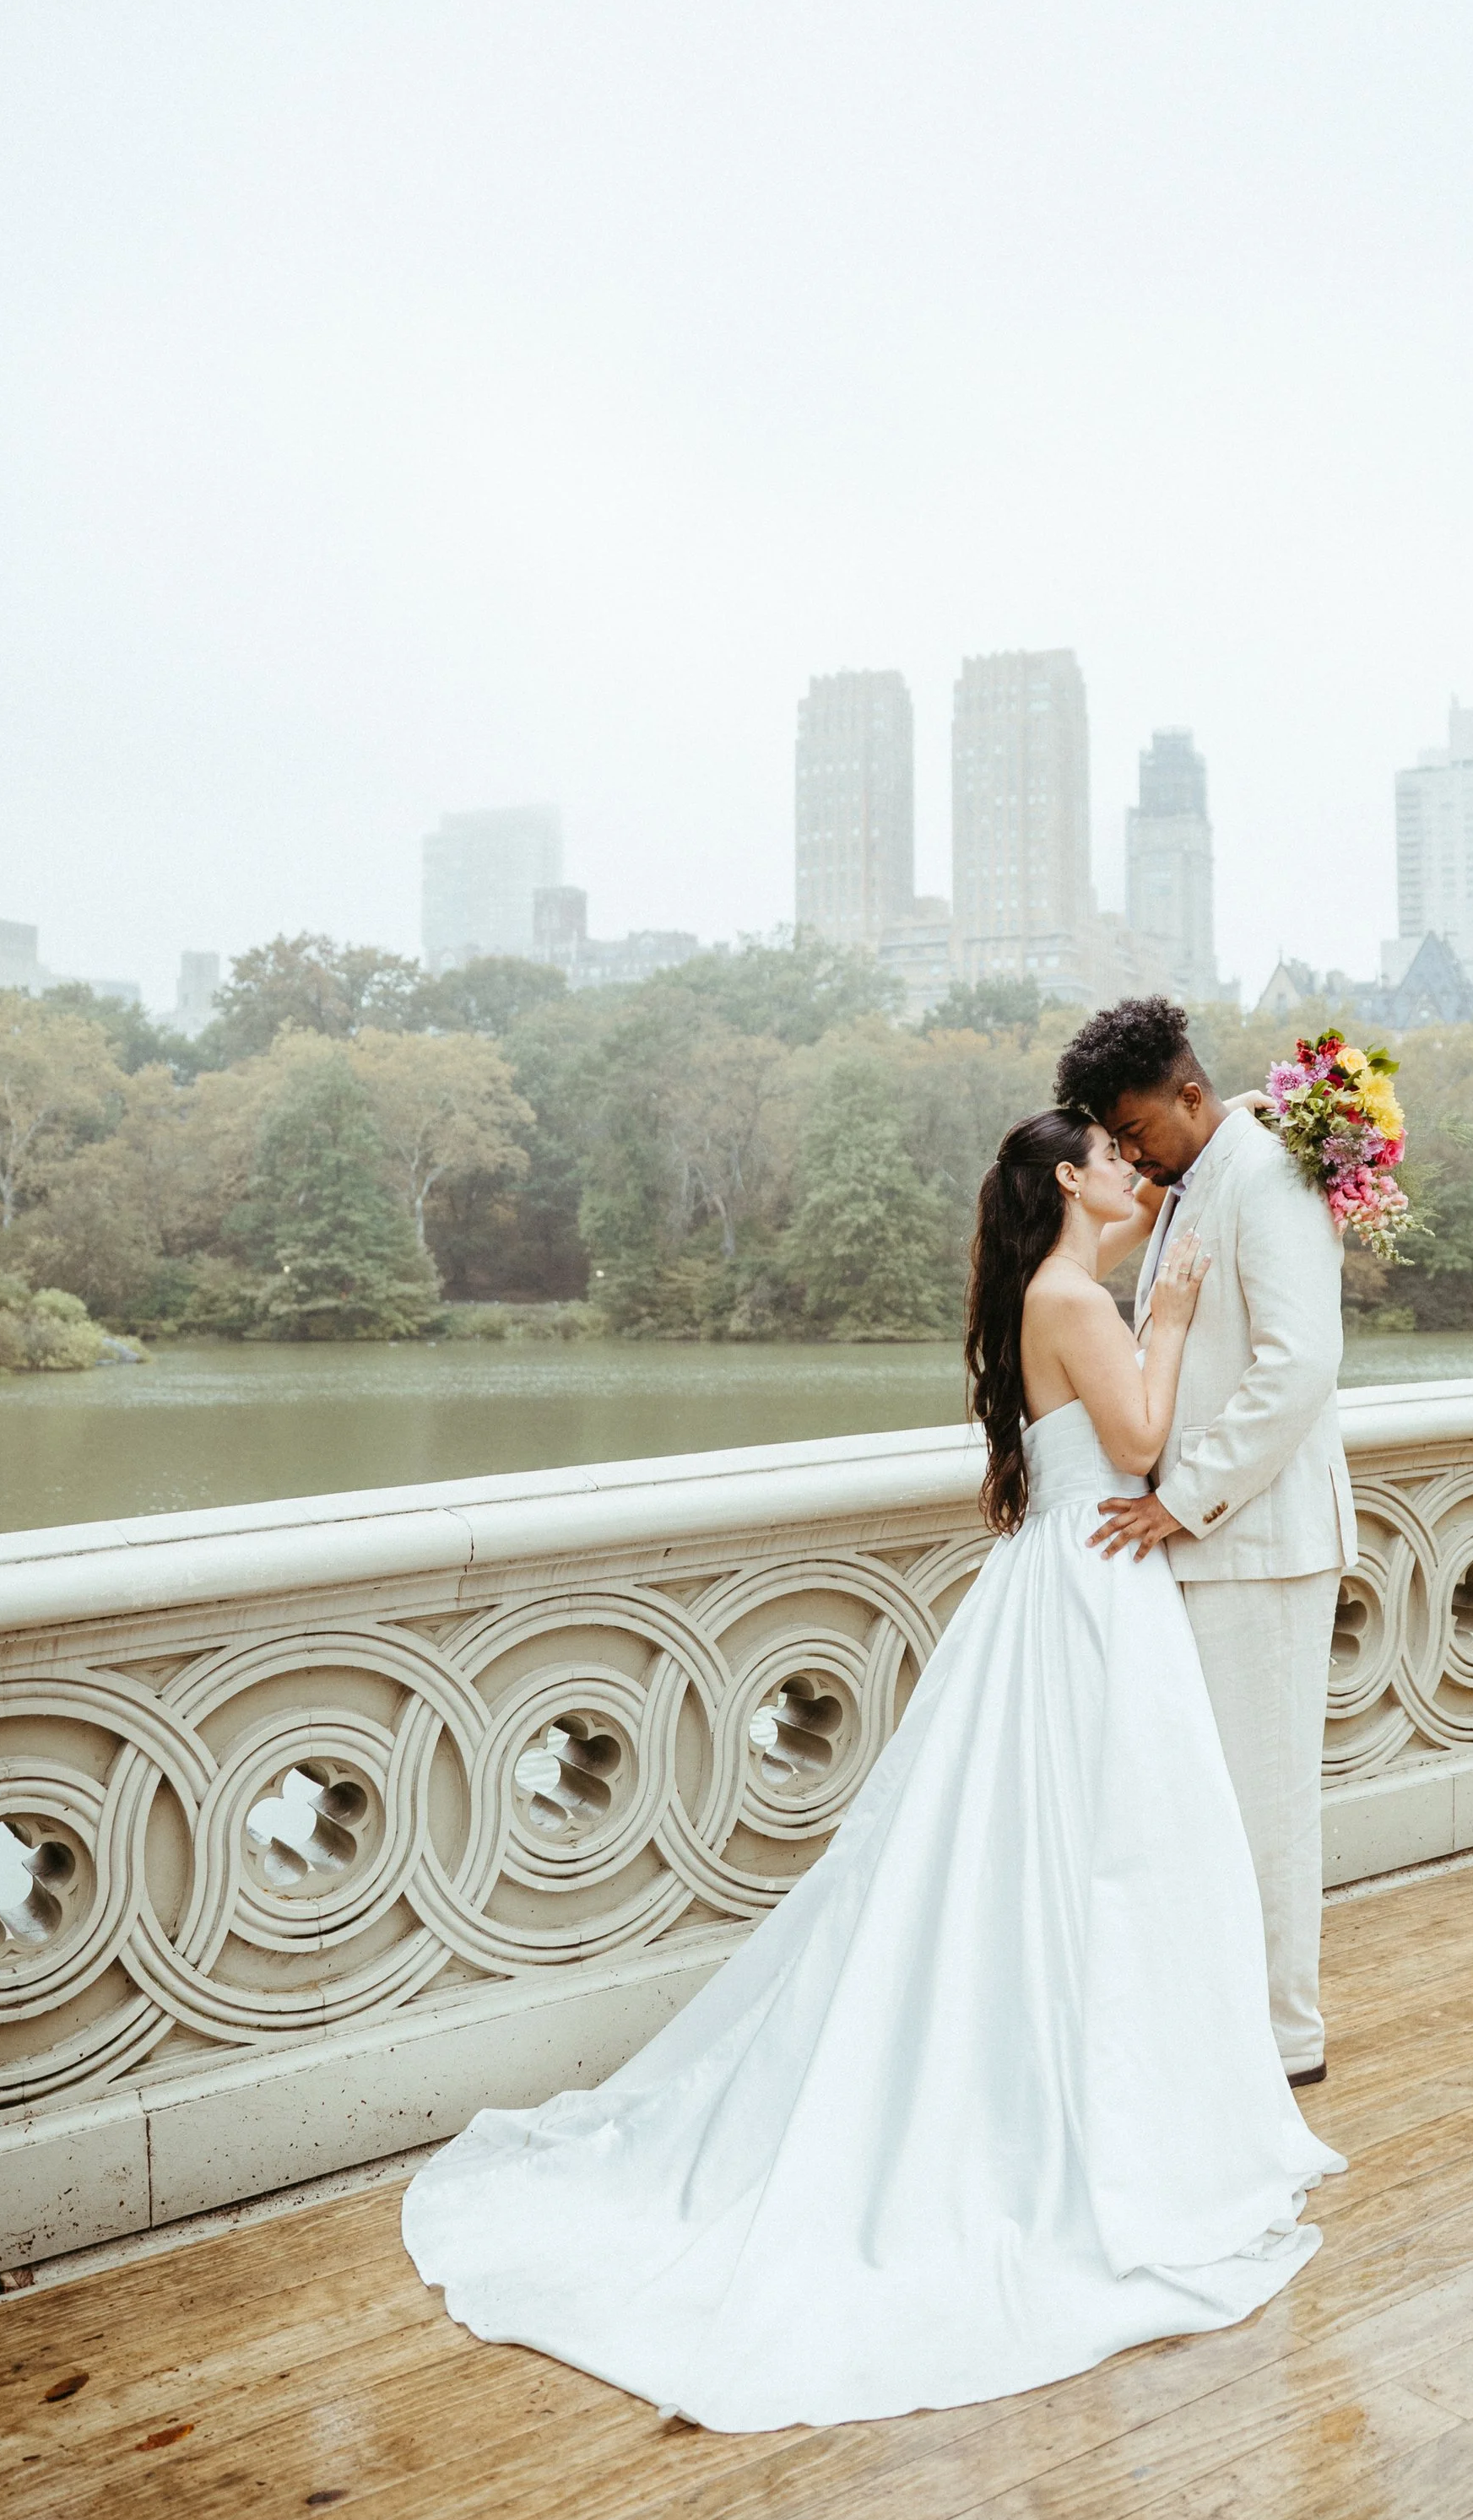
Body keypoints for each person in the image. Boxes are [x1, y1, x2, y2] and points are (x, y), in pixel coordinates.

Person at [399, 1106, 1340, 2433]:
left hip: (1068, 1584)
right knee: (1102, 1849)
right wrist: (1174, 1314)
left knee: (1092, 1853)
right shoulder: (1075, 1295)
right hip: (1092, 1588)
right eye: (1115, 1159)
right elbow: (1135, 1447)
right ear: (1072, 1178)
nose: (1136, 1172)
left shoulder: (1048, 1290)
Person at [1055, 999, 1353, 2088]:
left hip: (1262, 1543)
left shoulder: (1266, 1175)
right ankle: (1226, 2021)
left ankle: (1287, 2044)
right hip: (1207, 1549)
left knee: (1266, 1802)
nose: (1130, 1154)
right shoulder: (1188, 1187)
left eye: (1138, 1131)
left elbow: (1299, 1366)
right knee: (1211, 1799)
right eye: (1115, 1141)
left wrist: (1184, 1500)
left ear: (1193, 1094)